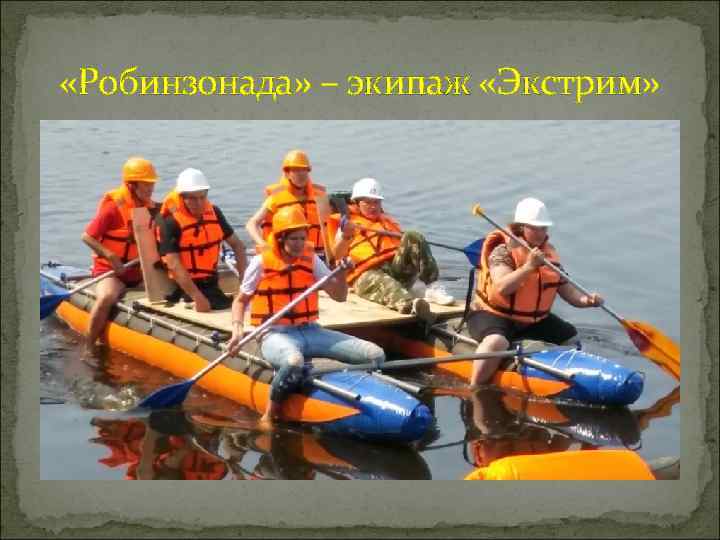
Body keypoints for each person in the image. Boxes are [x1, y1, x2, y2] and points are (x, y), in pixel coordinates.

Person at [228, 205, 386, 430]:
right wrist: (236, 330)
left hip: (310, 329)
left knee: (376, 355)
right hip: (274, 333)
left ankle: (357, 394)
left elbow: (339, 296)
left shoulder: (311, 260)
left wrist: (342, 273)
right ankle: (269, 414)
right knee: (294, 361)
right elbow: (240, 301)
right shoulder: (261, 262)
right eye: (294, 239)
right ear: (281, 238)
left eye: (302, 238)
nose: (299, 244)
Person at [467, 197, 604, 387]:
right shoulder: (502, 251)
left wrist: (588, 301)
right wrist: (529, 267)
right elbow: (502, 287)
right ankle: (475, 388)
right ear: (521, 227)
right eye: (535, 227)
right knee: (496, 342)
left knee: (570, 336)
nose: (541, 233)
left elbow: (570, 293)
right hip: (493, 314)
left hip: (531, 320)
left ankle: (564, 380)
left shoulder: (549, 255)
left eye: (544, 228)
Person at [327, 177, 454, 322]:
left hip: (393, 268)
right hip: (364, 274)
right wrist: (345, 235)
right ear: (356, 203)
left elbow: (402, 246)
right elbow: (337, 254)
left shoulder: (387, 221)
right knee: (386, 284)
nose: (373, 207)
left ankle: (432, 287)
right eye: (367, 202)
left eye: (376, 202)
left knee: (413, 236)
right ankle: (411, 306)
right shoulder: (345, 223)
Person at [81, 156, 159, 352]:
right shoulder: (113, 208)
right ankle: (88, 347)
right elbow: (87, 237)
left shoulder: (152, 208)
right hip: (111, 272)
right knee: (106, 297)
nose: (151, 188)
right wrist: (110, 256)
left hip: (138, 271)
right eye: (146, 184)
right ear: (131, 185)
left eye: (152, 183)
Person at [156, 168, 247, 312]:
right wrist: (197, 297)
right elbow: (173, 264)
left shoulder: (214, 212)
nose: (199, 203)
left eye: (202, 197)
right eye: (192, 198)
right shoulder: (170, 221)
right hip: (184, 290)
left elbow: (238, 246)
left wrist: (244, 283)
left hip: (212, 285)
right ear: (182, 198)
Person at [245, 149, 328, 258]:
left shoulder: (320, 197)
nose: (301, 174)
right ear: (287, 173)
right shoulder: (276, 197)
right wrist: (263, 244)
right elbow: (252, 224)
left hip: (317, 255)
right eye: (296, 170)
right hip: (285, 255)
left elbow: (330, 227)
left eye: (304, 170)